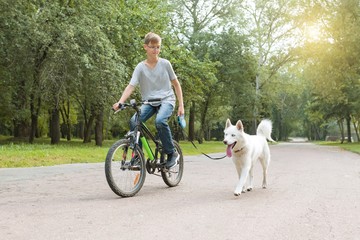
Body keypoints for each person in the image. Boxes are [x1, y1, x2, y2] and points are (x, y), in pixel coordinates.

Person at [113, 32, 184, 169]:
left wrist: (181, 105)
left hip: (167, 99)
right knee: (134, 121)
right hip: (149, 102)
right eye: (152, 47)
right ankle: (138, 157)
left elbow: (176, 84)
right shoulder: (140, 67)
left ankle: (171, 153)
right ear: (145, 47)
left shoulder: (165, 64)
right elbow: (131, 86)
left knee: (160, 121)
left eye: (158, 47)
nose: (156, 50)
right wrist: (120, 101)